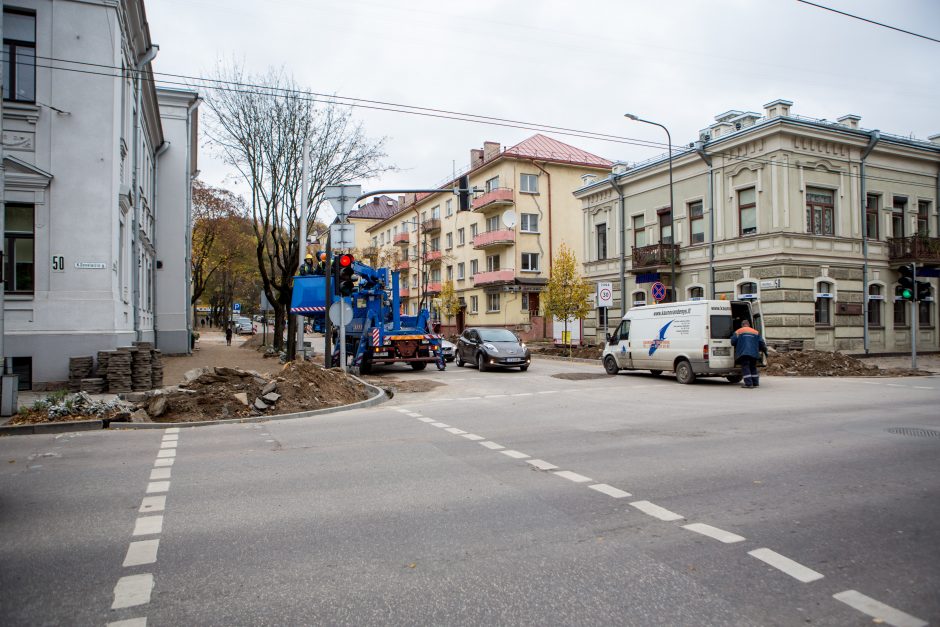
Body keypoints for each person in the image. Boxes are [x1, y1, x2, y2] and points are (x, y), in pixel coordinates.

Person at [731, 320, 767, 388]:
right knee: (753, 367)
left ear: (742, 325)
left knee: (745, 367)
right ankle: (755, 383)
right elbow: (761, 343)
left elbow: (733, 342)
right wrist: (765, 351)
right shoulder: (755, 332)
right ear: (749, 325)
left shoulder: (738, 331)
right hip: (754, 353)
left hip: (744, 352)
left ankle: (749, 384)